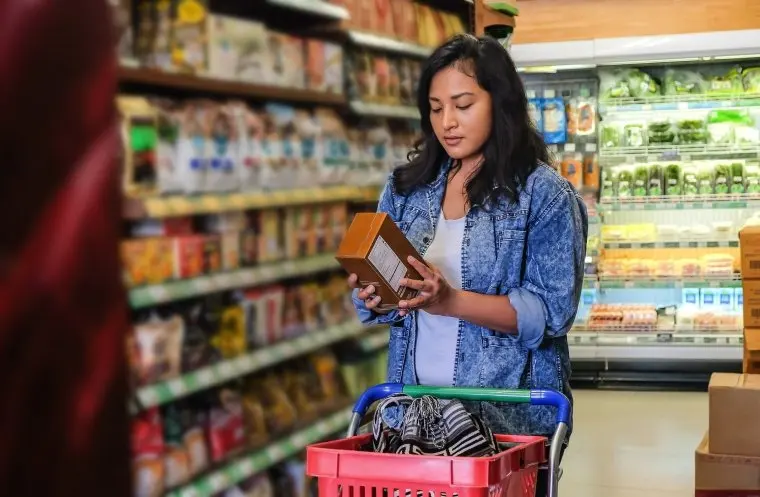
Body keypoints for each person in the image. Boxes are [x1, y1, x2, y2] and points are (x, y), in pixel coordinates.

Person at [348, 33, 587, 461]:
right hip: (412, 415)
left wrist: (449, 300)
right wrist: (379, 296)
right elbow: (390, 303)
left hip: (504, 422)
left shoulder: (544, 196)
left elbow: (549, 315)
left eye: (463, 105)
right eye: (436, 109)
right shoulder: (406, 190)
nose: (447, 123)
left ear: (500, 102)